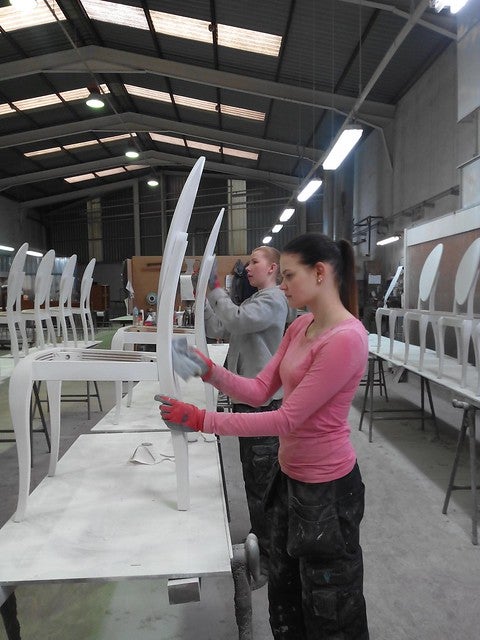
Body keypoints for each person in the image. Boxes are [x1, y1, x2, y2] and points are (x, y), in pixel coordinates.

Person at [159, 233, 369, 639]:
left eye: (289, 275)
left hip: (326, 492)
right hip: (288, 480)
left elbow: (285, 419)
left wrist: (203, 420)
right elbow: (258, 391)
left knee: (329, 609)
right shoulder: (302, 325)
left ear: (320, 273)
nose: (283, 285)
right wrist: (209, 371)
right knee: (285, 598)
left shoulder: (345, 338)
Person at [202, 245, 289, 583]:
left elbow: (236, 320)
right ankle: (262, 542)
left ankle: (268, 560)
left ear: (273, 268)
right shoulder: (254, 301)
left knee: (262, 484)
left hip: (263, 405)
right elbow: (221, 327)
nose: (248, 267)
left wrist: (216, 288)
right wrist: (203, 299)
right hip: (249, 401)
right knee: (254, 479)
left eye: (255, 261)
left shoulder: (273, 300)